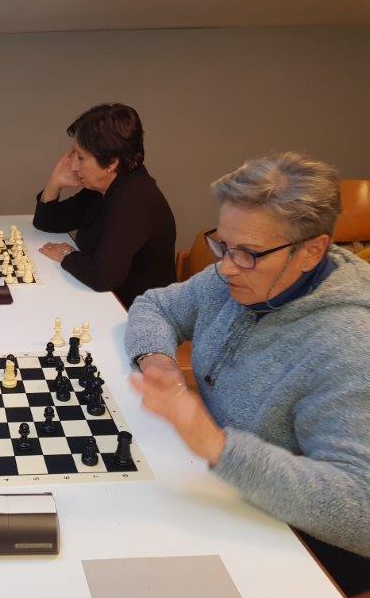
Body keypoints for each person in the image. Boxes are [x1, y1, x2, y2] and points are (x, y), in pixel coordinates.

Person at [126, 153, 370, 595]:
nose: (225, 267)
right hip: (214, 490)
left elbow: (361, 513)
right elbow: (155, 305)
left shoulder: (351, 344)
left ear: (312, 251)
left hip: (299, 549)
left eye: (248, 253)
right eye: (222, 244)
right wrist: (159, 361)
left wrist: (217, 445)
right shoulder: (238, 273)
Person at [32, 103, 176, 307]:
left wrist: (66, 254)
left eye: (81, 157)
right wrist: (54, 183)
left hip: (137, 313)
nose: (73, 165)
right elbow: (47, 222)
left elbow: (103, 276)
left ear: (111, 163)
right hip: (106, 300)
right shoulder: (103, 187)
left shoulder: (134, 198)